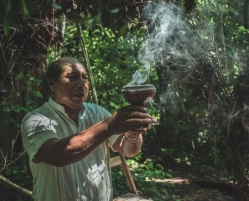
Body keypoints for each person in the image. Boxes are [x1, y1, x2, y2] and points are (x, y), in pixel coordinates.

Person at [21, 56, 156, 201]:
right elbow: (58, 155)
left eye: (85, 78)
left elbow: (128, 150)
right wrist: (109, 126)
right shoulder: (35, 120)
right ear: (52, 84)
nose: (81, 84)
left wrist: (133, 133)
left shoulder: (98, 113)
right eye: (72, 77)